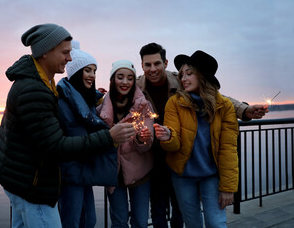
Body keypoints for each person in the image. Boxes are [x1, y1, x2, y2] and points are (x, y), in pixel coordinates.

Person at [0, 23, 135, 228]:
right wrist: (109, 138)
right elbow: (56, 146)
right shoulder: (34, 90)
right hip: (32, 185)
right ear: (46, 52)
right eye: (65, 52)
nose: (69, 58)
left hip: (21, 179)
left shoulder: (41, 83)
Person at [137, 43, 268, 228]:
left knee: (191, 216)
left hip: (187, 160)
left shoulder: (180, 82)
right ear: (142, 65)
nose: (152, 69)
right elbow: (117, 93)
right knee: (160, 211)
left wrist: (245, 110)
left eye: (157, 63)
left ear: (165, 63)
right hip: (155, 158)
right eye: (147, 65)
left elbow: (219, 101)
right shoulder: (137, 86)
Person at [154, 50, 239, 227]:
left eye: (189, 73)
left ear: (203, 76)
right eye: (182, 74)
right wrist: (168, 136)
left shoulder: (225, 106)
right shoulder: (175, 102)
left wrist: (228, 187)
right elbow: (173, 144)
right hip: (183, 175)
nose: (183, 78)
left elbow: (228, 149)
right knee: (193, 224)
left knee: (216, 223)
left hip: (212, 175)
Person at [56, 40, 118, 228]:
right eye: (87, 70)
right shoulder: (63, 101)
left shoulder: (84, 98)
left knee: (89, 220)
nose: (92, 75)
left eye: (94, 71)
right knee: (72, 221)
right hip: (69, 173)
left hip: (83, 169)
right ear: (75, 72)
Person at [96, 59, 154, 228]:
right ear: (113, 79)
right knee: (119, 222)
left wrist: (142, 139)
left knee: (140, 222)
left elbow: (147, 144)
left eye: (130, 78)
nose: (125, 82)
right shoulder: (101, 108)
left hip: (140, 172)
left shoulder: (144, 106)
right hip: (114, 174)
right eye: (120, 77)